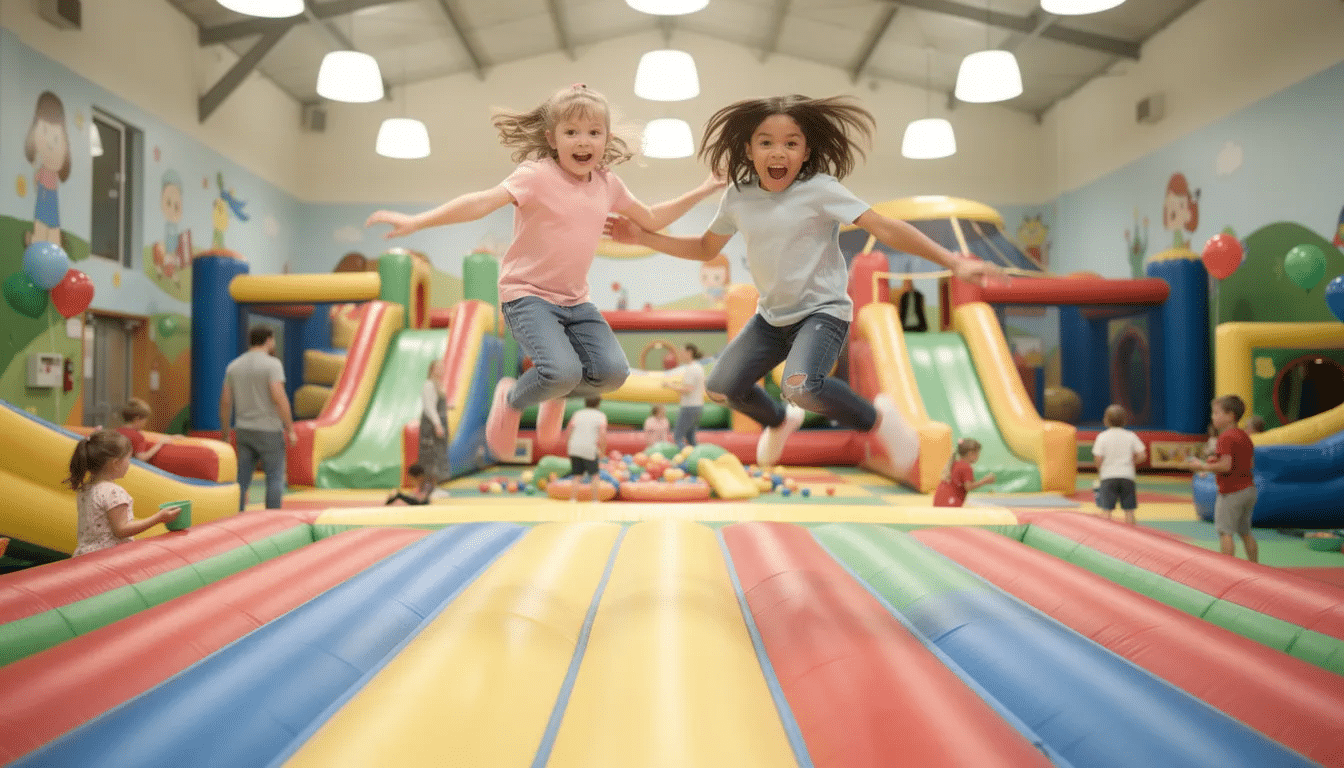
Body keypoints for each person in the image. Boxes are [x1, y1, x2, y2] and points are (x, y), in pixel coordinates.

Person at [611, 95, 1002, 472]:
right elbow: (703, 247)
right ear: (748, 149)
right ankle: (780, 421)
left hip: (822, 311)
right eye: (766, 143)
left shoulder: (821, 190)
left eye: (790, 144)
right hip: (771, 318)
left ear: (806, 152)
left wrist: (952, 262)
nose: (778, 153)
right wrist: (644, 238)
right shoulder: (738, 197)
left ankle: (877, 419)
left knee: (801, 386)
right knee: (722, 387)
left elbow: (884, 227)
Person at [364, 84, 724, 462]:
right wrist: (417, 221)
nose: (582, 141)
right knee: (561, 371)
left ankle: (555, 392)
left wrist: (702, 189)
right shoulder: (535, 176)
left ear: (607, 138)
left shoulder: (607, 184)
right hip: (527, 295)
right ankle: (512, 397)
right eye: (571, 132)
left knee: (613, 372)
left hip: (575, 300)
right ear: (552, 138)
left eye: (593, 132)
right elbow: (482, 202)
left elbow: (652, 217)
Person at [67, 430, 180, 556]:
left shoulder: (86, 489)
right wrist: (159, 518)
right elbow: (121, 530)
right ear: (115, 463)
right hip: (107, 558)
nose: (129, 463)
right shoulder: (113, 491)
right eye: (128, 458)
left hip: (84, 556)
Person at [219, 326, 296, 511]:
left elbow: (225, 401)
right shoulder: (272, 364)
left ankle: (235, 514)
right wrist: (290, 428)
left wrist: (225, 432)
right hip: (269, 430)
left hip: (244, 429)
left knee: (242, 478)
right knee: (275, 477)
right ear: (269, 340)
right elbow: (279, 397)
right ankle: (272, 518)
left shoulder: (234, 366)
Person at [1188, 395, 1258, 563]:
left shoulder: (1225, 437)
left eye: (1217, 413)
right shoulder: (1243, 436)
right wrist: (1214, 461)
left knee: (1225, 532)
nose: (1213, 417)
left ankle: (1227, 568)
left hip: (1232, 492)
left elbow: (1226, 466)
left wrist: (1203, 467)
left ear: (1230, 416)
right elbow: (1249, 462)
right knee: (1245, 532)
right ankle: (1256, 566)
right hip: (1248, 489)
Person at [1091, 404, 1147, 524]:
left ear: (1106, 420)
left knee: (1106, 509)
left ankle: (1104, 533)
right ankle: (1132, 533)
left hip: (1108, 476)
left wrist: (1100, 469)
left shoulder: (1102, 437)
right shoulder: (1130, 436)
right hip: (1127, 476)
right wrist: (1133, 462)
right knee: (1129, 509)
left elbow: (1098, 458)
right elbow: (1142, 455)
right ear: (1125, 420)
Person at [663, 343, 706, 448]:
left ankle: (683, 459)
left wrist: (670, 386)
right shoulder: (698, 367)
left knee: (677, 436)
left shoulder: (692, 369)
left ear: (689, 353)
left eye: (682, 352)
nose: (680, 355)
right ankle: (696, 457)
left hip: (689, 407)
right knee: (690, 437)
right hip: (697, 406)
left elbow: (688, 389)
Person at [933, 437, 996, 507]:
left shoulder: (955, 463)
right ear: (971, 453)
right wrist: (985, 481)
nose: (978, 456)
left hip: (939, 500)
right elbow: (968, 487)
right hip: (950, 502)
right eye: (977, 453)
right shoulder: (966, 467)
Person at [419, 359, 452, 484]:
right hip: (431, 426)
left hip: (439, 423)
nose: (442, 369)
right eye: (439, 367)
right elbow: (429, 407)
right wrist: (437, 425)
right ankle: (428, 484)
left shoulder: (439, 385)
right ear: (432, 370)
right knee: (430, 453)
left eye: (442, 367)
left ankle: (438, 482)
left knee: (440, 452)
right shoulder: (429, 385)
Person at [116, 397, 175, 464]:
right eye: (145, 420)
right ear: (137, 419)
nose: (145, 423)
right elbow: (141, 458)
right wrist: (159, 444)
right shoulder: (137, 436)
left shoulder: (117, 431)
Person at [565, 396, 608, 483]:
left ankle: (573, 497)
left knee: (577, 475)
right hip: (589, 448)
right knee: (595, 475)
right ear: (598, 404)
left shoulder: (577, 414)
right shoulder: (600, 415)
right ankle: (595, 497)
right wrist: (603, 451)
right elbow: (602, 435)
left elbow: (568, 431)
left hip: (574, 447)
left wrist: (569, 445)